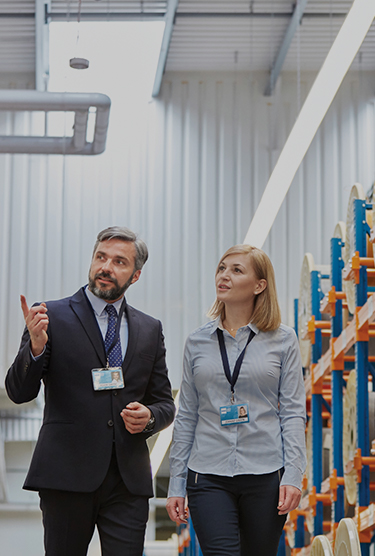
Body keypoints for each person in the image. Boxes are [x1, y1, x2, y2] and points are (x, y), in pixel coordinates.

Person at [6, 226, 175, 556]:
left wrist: (150, 417)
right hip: (66, 473)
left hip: (128, 479)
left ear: (136, 275)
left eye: (119, 261)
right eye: (101, 257)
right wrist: (35, 349)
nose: (106, 267)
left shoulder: (149, 329)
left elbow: (164, 403)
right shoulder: (50, 315)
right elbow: (18, 391)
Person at [166, 244, 306, 556]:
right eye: (221, 268)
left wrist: (294, 475)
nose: (224, 276)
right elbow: (187, 414)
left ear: (260, 285)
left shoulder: (283, 340)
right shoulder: (197, 341)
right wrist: (177, 483)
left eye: (236, 270)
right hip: (207, 473)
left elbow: (294, 412)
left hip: (266, 472)